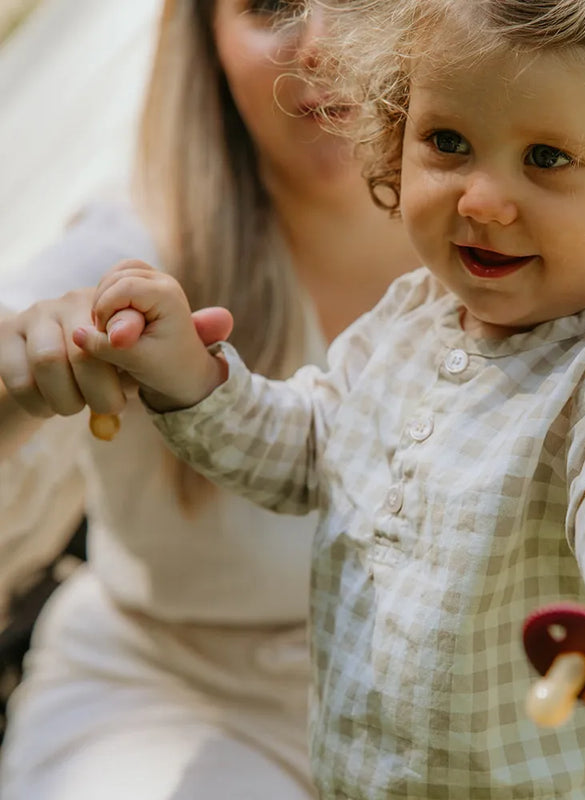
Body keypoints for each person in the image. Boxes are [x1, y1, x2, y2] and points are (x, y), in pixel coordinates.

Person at [61, 0, 585, 797]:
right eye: (448, 142)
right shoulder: (410, 317)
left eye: (545, 157)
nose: (481, 199)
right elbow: (306, 448)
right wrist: (189, 375)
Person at [0, 1, 417, 798]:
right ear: (207, 42)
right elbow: (19, 321)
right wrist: (27, 358)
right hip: (173, 700)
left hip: (440, 718)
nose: (319, 45)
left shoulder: (517, 245)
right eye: (270, 3)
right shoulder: (143, 238)